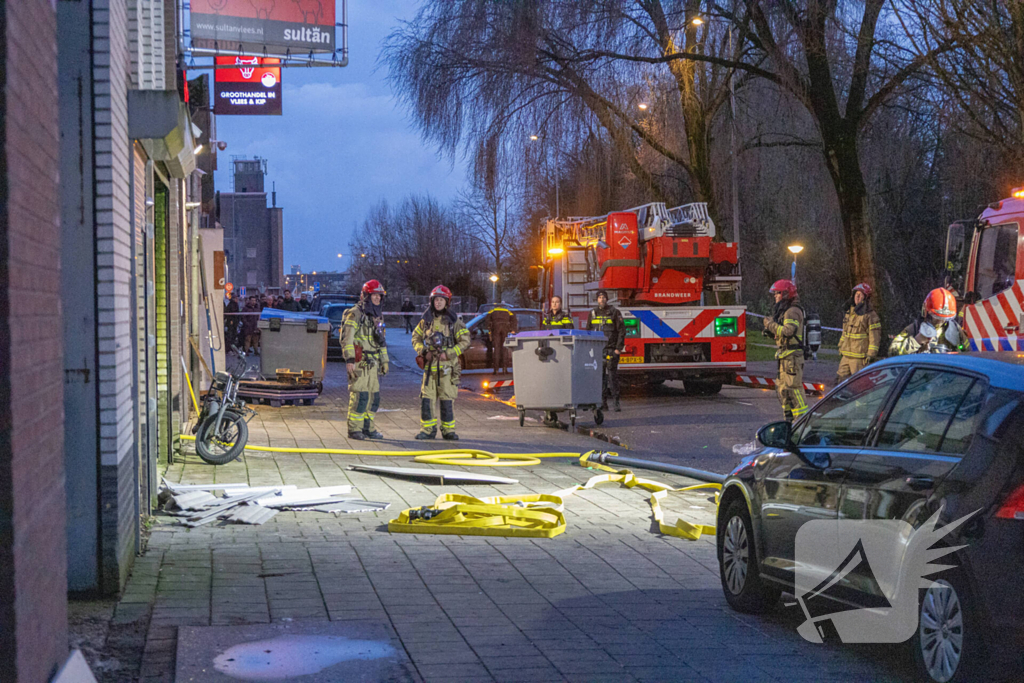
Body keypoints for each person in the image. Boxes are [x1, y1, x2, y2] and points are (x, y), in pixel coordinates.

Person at [412, 285, 470, 440]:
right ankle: (427, 430)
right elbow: (415, 338)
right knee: (427, 399)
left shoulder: (454, 321)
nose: (438, 303)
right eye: (436, 300)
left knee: (446, 400)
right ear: (432, 301)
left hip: (447, 368)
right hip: (430, 368)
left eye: (441, 300)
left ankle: (448, 430)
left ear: (447, 302)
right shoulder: (426, 321)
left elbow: (465, 341)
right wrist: (423, 351)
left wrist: (449, 353)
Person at [341, 280, 390, 440]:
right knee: (360, 397)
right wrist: (349, 360)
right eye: (374, 295)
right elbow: (347, 338)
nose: (377, 299)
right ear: (366, 296)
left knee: (374, 398)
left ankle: (369, 428)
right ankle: (355, 429)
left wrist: (385, 361)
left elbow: (381, 340)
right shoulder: (355, 314)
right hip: (359, 362)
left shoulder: (377, 316)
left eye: (379, 296)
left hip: (373, 363)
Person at [763, 279, 808, 421]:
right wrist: (772, 332)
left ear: (785, 294)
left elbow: (789, 331)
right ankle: (788, 420)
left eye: (777, 294)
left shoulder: (792, 311)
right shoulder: (785, 311)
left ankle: (802, 420)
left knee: (794, 389)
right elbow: (783, 334)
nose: (775, 297)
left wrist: (770, 325)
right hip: (785, 357)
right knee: (783, 390)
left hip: (792, 357)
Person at [890, 288, 968, 356]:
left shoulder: (955, 329)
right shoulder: (914, 328)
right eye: (936, 316)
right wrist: (916, 341)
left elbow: (970, 353)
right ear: (926, 312)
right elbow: (892, 353)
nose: (941, 321)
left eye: (945, 318)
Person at [587, 289, 626, 412]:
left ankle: (616, 402)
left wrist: (618, 349)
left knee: (612, 377)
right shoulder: (592, 313)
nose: (601, 299)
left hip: (611, 350)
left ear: (606, 299)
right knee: (600, 378)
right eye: (599, 297)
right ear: (597, 299)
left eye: (603, 297)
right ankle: (603, 403)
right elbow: (588, 331)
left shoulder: (614, 312)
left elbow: (621, 331)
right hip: (598, 350)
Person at [836, 283, 882, 384]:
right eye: (856, 294)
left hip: (859, 358)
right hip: (846, 356)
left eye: (860, 294)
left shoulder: (870, 316)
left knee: (858, 385)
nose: (857, 297)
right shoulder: (850, 313)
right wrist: (840, 346)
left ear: (865, 298)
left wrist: (871, 355)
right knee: (840, 383)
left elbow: (874, 337)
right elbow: (845, 332)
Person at [486, 304, 517, 374]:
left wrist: (489, 329)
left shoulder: (492, 311)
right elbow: (514, 319)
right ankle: (504, 369)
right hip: (505, 327)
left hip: (496, 328)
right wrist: (513, 329)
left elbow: (487, 320)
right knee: (504, 348)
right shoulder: (507, 311)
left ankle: (496, 370)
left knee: (496, 349)